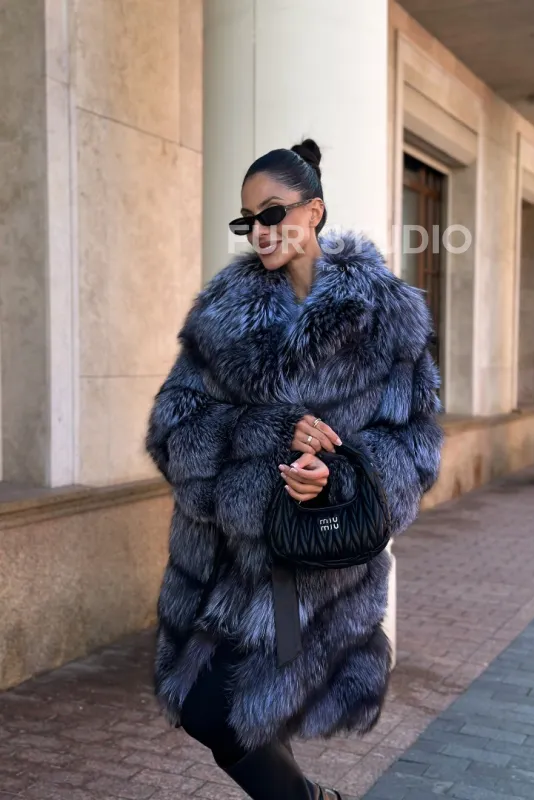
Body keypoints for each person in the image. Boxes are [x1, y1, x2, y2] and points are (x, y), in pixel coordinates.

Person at [146, 139, 443, 800]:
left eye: (273, 213)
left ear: (314, 211)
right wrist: (272, 433)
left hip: (313, 569)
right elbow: (173, 430)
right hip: (224, 563)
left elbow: (417, 446)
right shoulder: (222, 314)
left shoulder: (388, 316)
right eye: (247, 220)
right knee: (211, 710)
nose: (259, 231)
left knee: (243, 712)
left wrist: (337, 476)